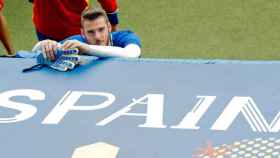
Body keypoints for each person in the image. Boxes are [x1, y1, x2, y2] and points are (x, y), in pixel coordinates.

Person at [32, 8, 141, 59]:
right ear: (82, 32)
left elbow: (132, 54)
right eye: (90, 32)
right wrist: (44, 44)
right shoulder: (76, 41)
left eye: (101, 29)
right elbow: (34, 52)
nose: (97, 37)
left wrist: (86, 48)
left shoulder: (125, 36)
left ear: (109, 27)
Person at [30, 0, 119, 42]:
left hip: (45, 25)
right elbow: (109, 3)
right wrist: (113, 21)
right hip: (74, 30)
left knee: (51, 64)